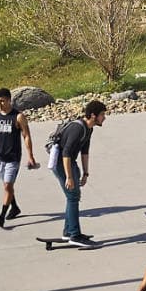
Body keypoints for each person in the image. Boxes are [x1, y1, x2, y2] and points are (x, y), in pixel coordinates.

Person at [46, 100, 105, 245]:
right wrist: (69, 177)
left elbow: (85, 152)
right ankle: (74, 235)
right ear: (93, 115)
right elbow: (65, 153)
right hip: (61, 163)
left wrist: (85, 173)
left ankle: (68, 232)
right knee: (73, 196)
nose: (104, 117)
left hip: (70, 163)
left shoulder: (89, 129)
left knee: (72, 197)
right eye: (102, 114)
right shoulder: (78, 128)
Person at [0, 87, 37, 228]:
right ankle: (14, 207)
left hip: (13, 158)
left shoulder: (18, 117)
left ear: (9, 100)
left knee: (8, 185)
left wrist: (30, 156)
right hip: (0, 157)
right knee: (7, 186)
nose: (0, 104)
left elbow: (26, 136)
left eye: (2, 101)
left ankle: (1, 216)